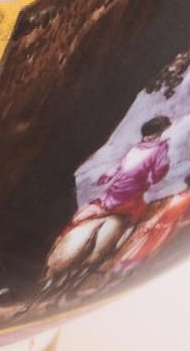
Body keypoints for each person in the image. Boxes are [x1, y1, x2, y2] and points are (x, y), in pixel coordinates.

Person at [49, 114, 175, 284]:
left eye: (151, 136)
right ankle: (58, 246)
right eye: (146, 136)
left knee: (130, 224)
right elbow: (121, 166)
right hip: (113, 192)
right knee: (81, 216)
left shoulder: (160, 151)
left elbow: (159, 172)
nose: (147, 139)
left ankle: (112, 256)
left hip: (132, 194)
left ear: (158, 135)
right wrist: (108, 175)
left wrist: (150, 177)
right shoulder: (136, 149)